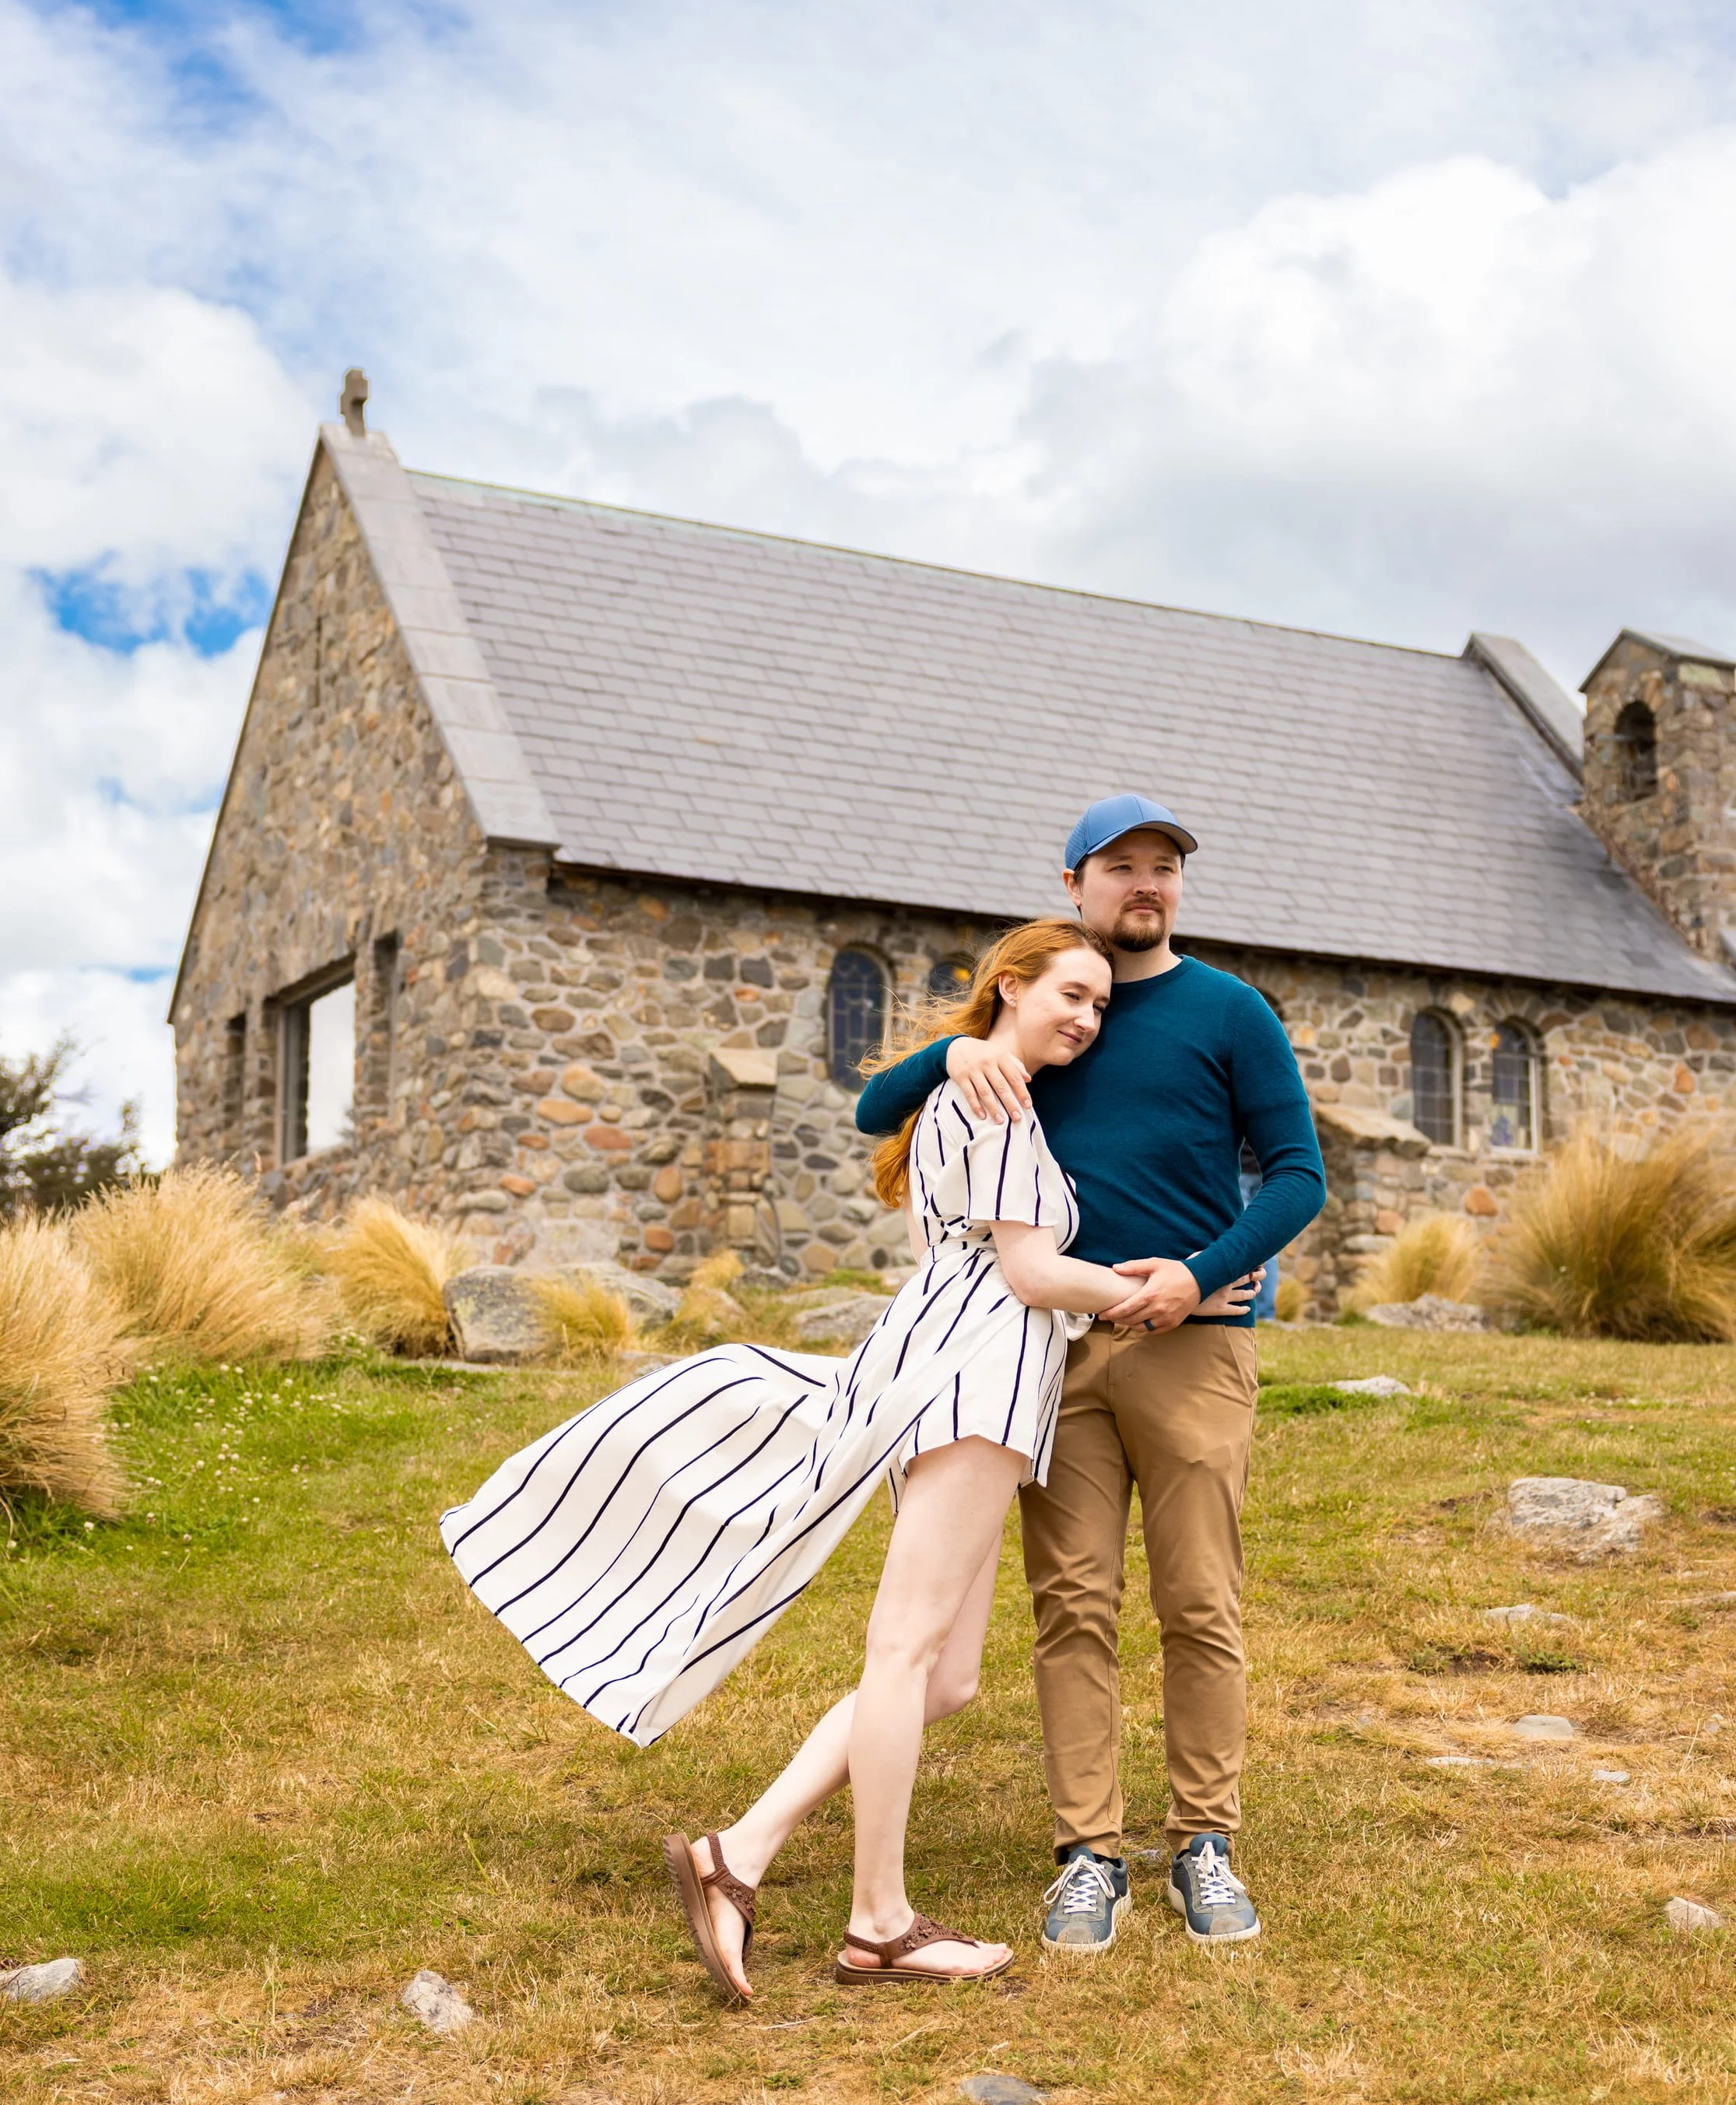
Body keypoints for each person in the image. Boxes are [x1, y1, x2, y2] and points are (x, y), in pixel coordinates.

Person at [441, 917, 1224, 2000]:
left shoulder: (973, 1090)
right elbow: (1033, 1273)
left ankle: (740, 1853)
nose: (1089, 1019)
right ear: (1009, 987)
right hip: (978, 1381)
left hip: (954, 1372)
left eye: (1102, 1004)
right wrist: (1168, 1286)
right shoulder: (995, 1097)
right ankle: (880, 1922)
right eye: (1071, 995)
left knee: (943, 1674)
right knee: (905, 1654)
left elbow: (961, 1258)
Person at [857, 795, 1327, 1954]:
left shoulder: (1230, 1011)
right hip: (1049, 1355)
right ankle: (1089, 1852)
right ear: (1074, 884)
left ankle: (1204, 1841)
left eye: (1165, 867)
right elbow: (876, 1109)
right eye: (1123, 867)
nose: (1147, 884)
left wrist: (1210, 1271)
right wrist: (955, 1047)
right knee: (1070, 1605)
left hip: (1195, 1347)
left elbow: (1298, 1176)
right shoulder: (1056, 1014)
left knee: (1199, 1600)